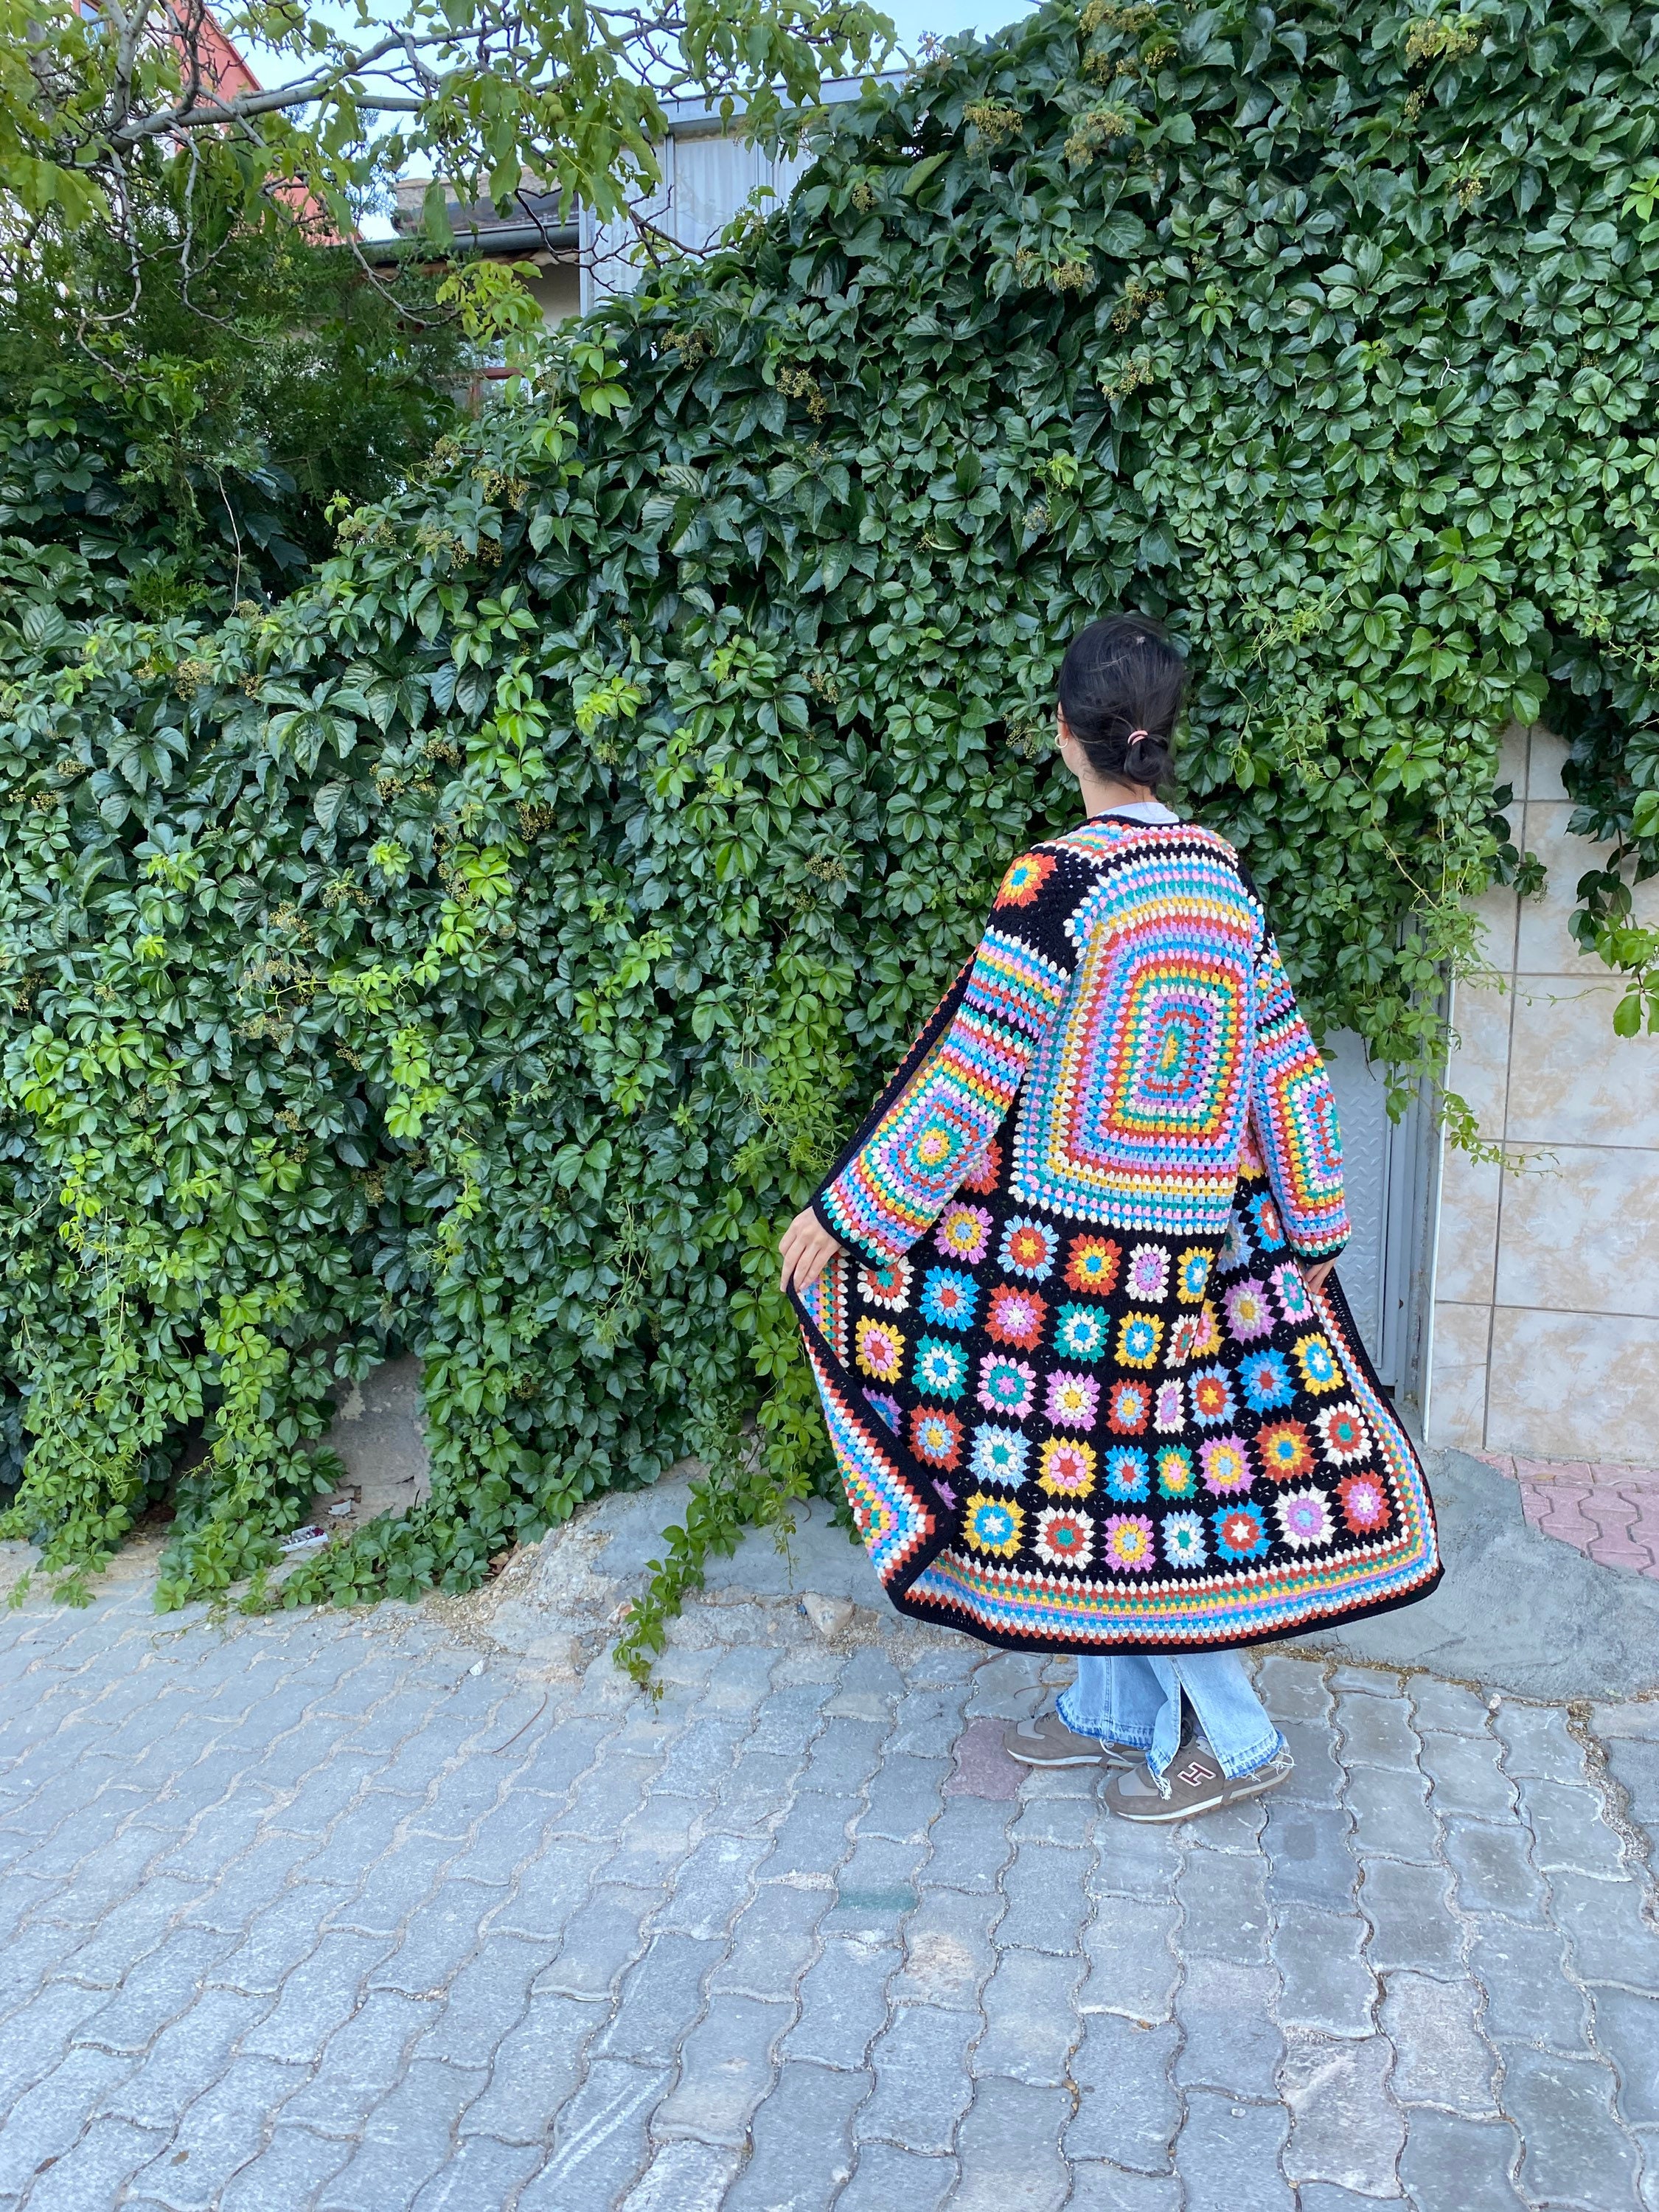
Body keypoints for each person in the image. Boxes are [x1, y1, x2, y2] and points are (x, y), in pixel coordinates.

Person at [780, 613, 1440, 1822]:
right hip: (1184, 1239)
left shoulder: (1061, 878)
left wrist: (853, 1211)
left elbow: (971, 1065)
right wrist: (1315, 1220)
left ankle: (1235, 1743)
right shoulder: (1220, 873)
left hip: (1064, 1251)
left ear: (1061, 733)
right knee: (1097, 1479)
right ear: (1161, 737)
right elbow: (1280, 1061)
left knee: (1127, 1491)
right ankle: (1113, 1709)